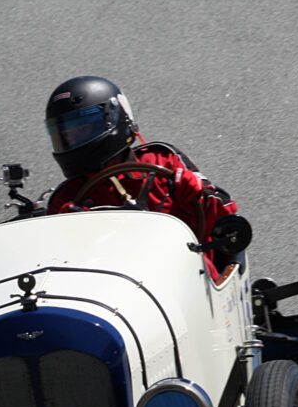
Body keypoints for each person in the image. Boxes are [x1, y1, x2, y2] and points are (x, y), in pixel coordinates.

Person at [43, 76, 251, 280]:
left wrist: (198, 196)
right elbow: (55, 266)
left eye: (83, 130)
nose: (73, 140)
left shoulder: (162, 159)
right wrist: (70, 230)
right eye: (66, 136)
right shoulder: (67, 199)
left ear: (115, 117)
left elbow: (227, 216)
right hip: (115, 291)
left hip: (189, 283)